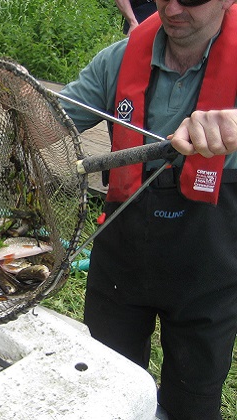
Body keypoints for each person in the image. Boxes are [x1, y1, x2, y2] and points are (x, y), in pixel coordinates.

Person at [59, 1, 237, 419]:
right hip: (121, 254)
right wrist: (16, 106)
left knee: (193, 400)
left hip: (208, 262)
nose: (172, 8)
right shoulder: (119, 59)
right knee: (103, 384)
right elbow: (52, 120)